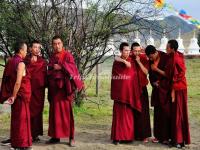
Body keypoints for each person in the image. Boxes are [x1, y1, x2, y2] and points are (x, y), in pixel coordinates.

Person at [47, 35, 83, 147]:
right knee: (55, 114)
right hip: (55, 89)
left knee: (67, 114)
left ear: (62, 44)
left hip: (65, 90)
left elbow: (73, 69)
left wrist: (61, 67)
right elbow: (49, 69)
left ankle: (71, 137)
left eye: (59, 43)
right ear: (52, 45)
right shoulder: (52, 56)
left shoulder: (67, 55)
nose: (57, 46)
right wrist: (53, 68)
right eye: (55, 44)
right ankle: (55, 136)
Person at [0, 41, 32, 150]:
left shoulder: (10, 61)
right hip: (20, 96)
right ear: (21, 50)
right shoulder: (21, 63)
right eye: (26, 50)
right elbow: (18, 82)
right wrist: (13, 96)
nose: (26, 52)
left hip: (15, 95)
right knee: (22, 120)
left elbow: (6, 79)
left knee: (16, 119)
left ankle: (16, 142)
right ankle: (22, 144)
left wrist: (9, 94)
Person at [111, 42, 141, 145]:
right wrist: (121, 60)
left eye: (129, 50)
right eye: (125, 50)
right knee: (119, 116)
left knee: (128, 116)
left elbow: (131, 74)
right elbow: (116, 77)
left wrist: (124, 60)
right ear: (121, 51)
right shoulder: (117, 63)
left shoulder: (131, 60)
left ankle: (128, 137)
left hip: (129, 94)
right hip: (120, 95)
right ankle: (117, 138)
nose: (128, 52)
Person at [165, 40, 191, 148]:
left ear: (172, 48)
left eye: (167, 47)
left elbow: (182, 72)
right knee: (174, 113)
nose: (166, 49)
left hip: (179, 89)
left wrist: (173, 87)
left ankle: (180, 140)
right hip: (174, 87)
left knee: (178, 113)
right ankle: (175, 138)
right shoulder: (171, 57)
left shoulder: (177, 58)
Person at [145, 45, 171, 144]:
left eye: (151, 57)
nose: (150, 59)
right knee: (157, 114)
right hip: (157, 90)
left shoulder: (165, 57)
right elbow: (151, 76)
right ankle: (157, 136)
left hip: (166, 90)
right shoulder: (151, 60)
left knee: (165, 114)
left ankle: (165, 137)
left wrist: (156, 69)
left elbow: (169, 74)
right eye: (149, 58)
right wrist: (153, 83)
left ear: (155, 52)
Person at [25, 40, 47, 142]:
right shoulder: (26, 60)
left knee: (38, 112)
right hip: (28, 90)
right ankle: (27, 133)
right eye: (35, 47)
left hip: (39, 91)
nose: (37, 49)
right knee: (27, 111)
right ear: (30, 49)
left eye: (38, 47)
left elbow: (45, 76)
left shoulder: (43, 61)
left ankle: (35, 134)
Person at [131, 42, 151, 143]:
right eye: (135, 51)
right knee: (133, 111)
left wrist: (139, 62)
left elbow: (146, 72)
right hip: (132, 89)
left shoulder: (143, 58)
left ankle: (144, 135)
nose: (137, 53)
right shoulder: (129, 58)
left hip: (142, 88)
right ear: (131, 51)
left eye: (139, 51)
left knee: (143, 112)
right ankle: (134, 134)